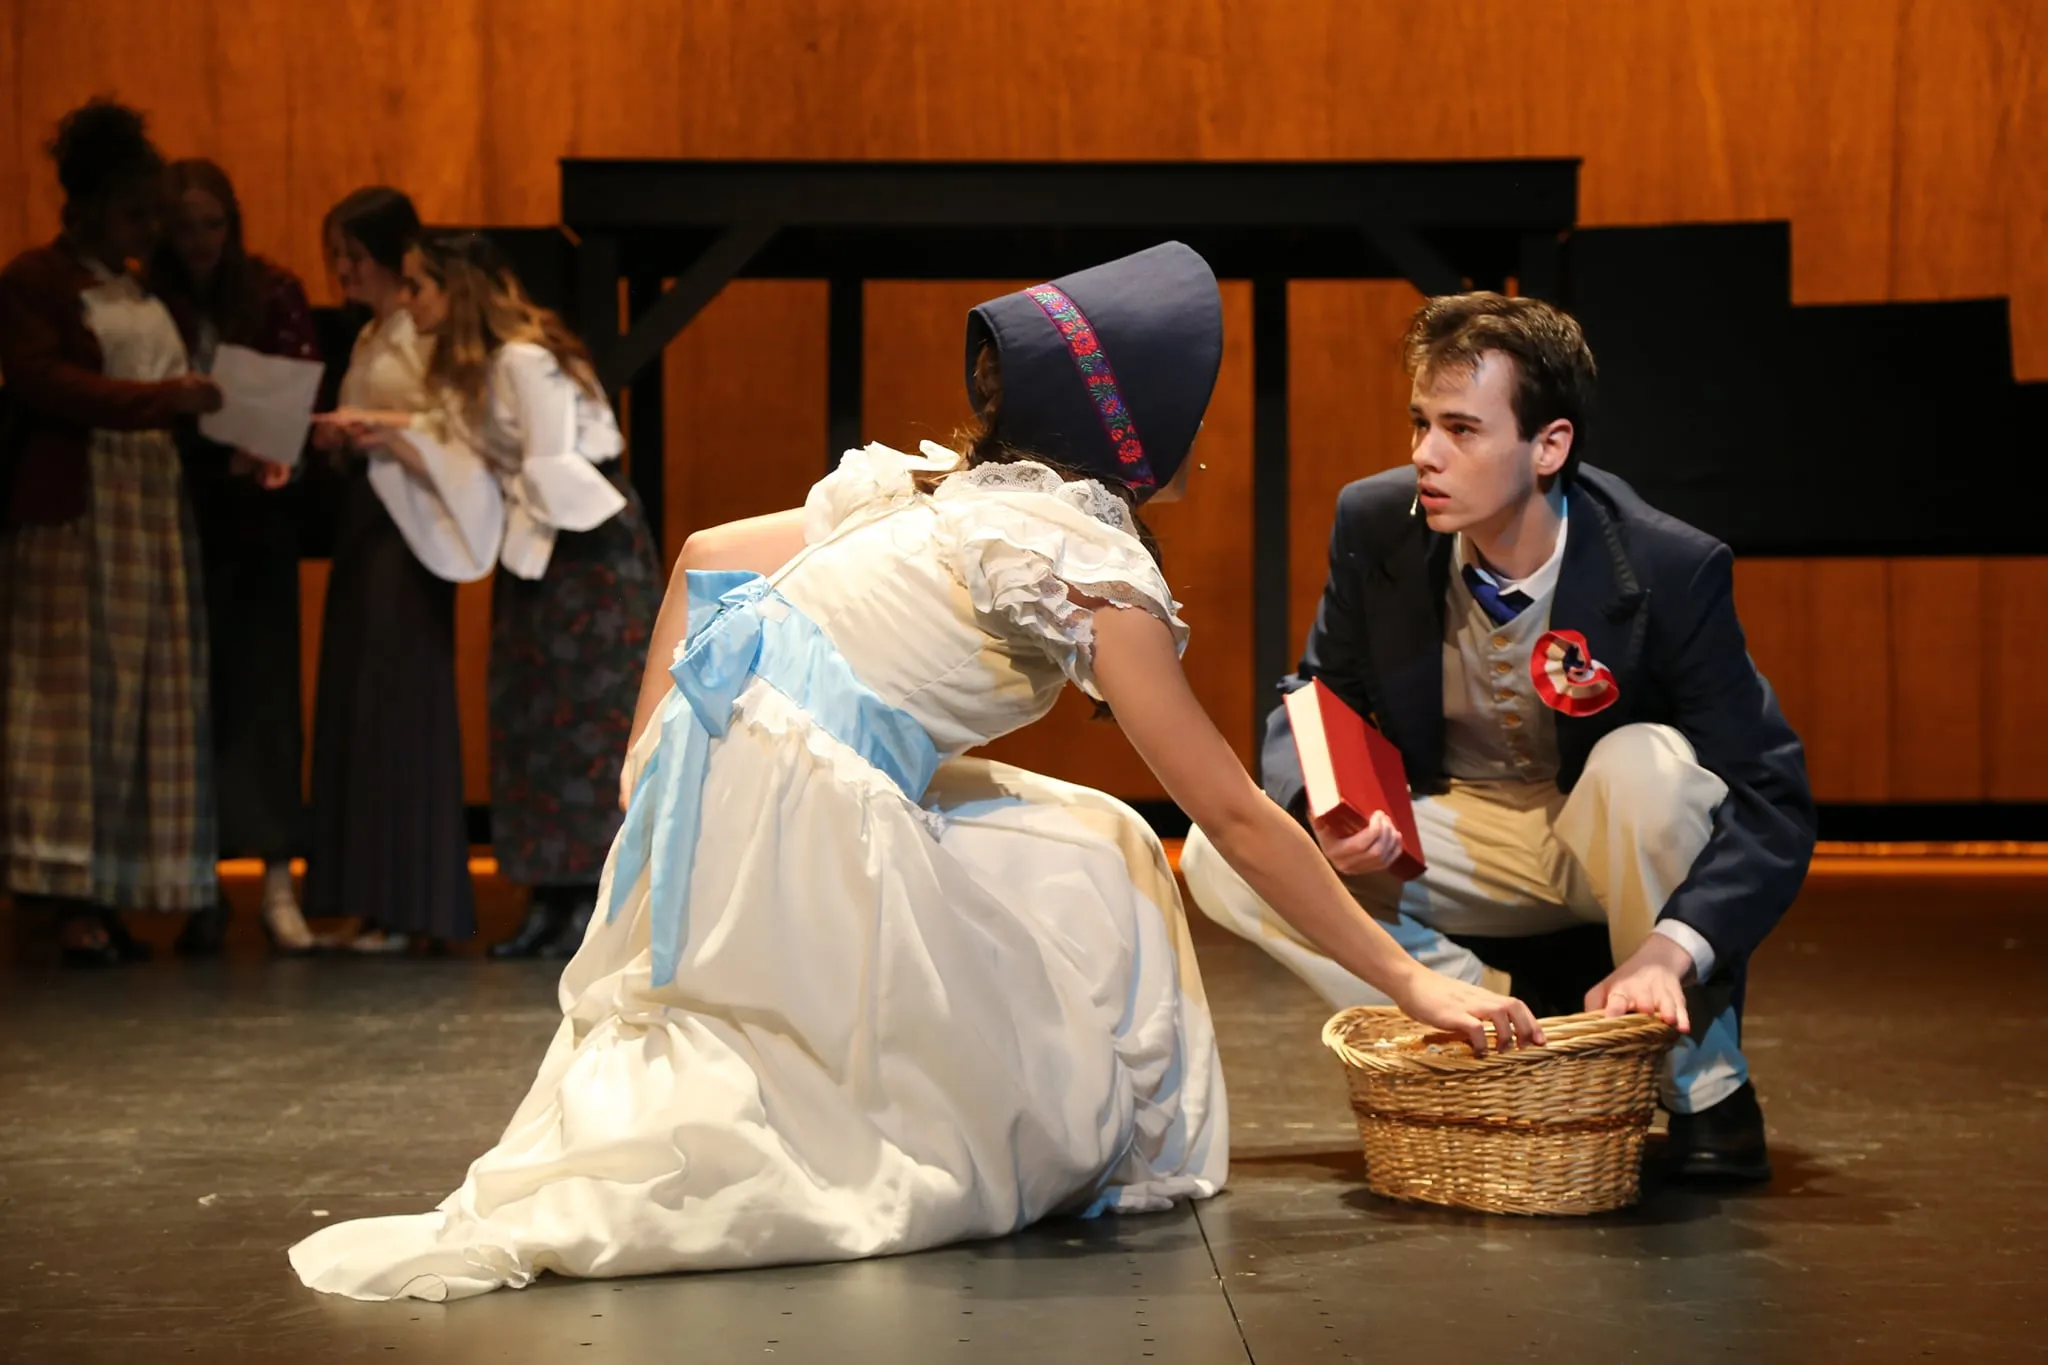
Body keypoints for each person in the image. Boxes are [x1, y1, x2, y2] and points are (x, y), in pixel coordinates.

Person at [288, 242, 1538, 1303]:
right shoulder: (1074, 560)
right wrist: (1405, 981)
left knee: (1090, 838)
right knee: (1024, 961)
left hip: (727, 771)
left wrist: (651, 759)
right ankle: (1064, 1135)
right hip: (795, 806)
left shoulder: (935, 488)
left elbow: (706, 555)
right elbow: (1226, 809)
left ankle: (1082, 1129)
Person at [1181, 291, 1816, 1182]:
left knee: (1651, 770)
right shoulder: (1376, 522)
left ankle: (1702, 1082)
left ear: (1548, 445)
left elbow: (1770, 801)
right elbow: (1318, 694)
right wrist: (1320, 805)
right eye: (1419, 423)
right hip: (1460, 835)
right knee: (1227, 845)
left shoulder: (1668, 565)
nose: (1424, 455)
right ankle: (1500, 1022)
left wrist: (1671, 951)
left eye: (1461, 430)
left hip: (1599, 840)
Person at [327, 232, 663, 958]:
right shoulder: (469, 368)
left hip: (582, 550)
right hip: (531, 549)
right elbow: (455, 441)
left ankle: (588, 900)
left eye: (418, 285)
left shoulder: (525, 358)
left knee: (588, 721)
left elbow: (549, 462)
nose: (407, 300)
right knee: (529, 718)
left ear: (459, 288)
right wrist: (385, 434)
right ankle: (546, 896)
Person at [0, 98, 224, 966]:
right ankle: (65, 891)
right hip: (78, 506)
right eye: (131, 212)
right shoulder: (35, 281)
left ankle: (134, 881)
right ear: (88, 204)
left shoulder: (141, 288)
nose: (143, 231)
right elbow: (40, 382)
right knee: (70, 697)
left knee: (146, 691)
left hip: (151, 506)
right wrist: (160, 401)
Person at [302, 188, 492, 955]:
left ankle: (414, 902)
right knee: (357, 700)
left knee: (400, 699)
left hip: (409, 528)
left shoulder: (418, 336)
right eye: (335, 256)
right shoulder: (372, 335)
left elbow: (452, 424)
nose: (343, 269)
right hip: (364, 520)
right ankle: (370, 897)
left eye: (354, 255)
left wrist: (371, 426)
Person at [150, 157, 322, 955]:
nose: (197, 242)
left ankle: (280, 881)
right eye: (183, 226)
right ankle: (198, 884)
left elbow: (298, 391)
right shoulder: (153, 296)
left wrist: (272, 450)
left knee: (266, 697)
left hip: (258, 521)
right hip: (180, 516)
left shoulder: (271, 290)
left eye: (211, 224)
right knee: (190, 705)